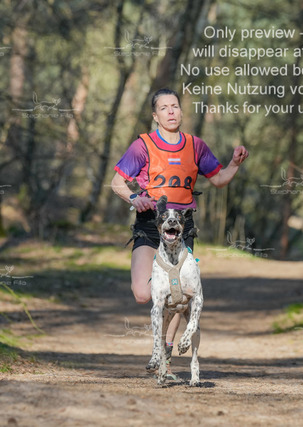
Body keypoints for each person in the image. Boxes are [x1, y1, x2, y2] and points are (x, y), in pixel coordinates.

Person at [111, 88, 248, 378]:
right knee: (142, 293)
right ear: (155, 116)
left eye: (174, 106)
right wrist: (135, 198)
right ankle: (163, 337)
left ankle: (165, 352)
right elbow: (116, 183)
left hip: (182, 228)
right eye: (164, 108)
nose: (171, 111)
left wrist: (234, 164)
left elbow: (219, 179)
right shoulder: (143, 145)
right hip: (150, 224)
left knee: (179, 295)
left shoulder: (195, 146)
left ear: (181, 111)